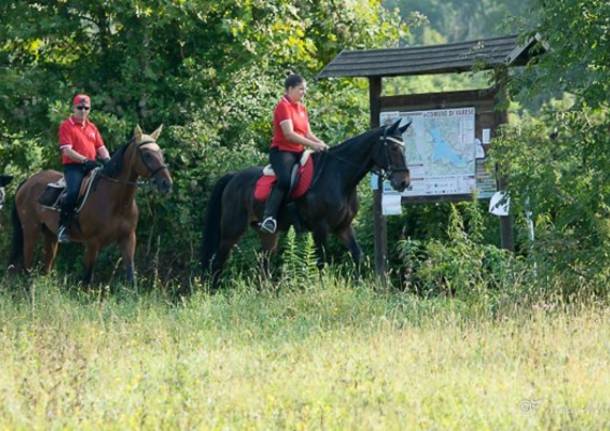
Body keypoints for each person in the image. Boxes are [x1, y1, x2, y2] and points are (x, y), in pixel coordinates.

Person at [260, 74, 328, 234]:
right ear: (290, 89)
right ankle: (269, 217)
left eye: (304, 89)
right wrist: (313, 145)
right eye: (301, 89)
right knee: (284, 180)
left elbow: (308, 133)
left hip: (300, 151)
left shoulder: (302, 108)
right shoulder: (283, 106)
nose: (303, 92)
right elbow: (289, 134)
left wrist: (322, 144)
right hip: (282, 152)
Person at [56, 94, 110, 243]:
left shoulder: (92, 127)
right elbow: (67, 150)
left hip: (91, 167)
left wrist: (108, 161)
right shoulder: (66, 125)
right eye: (80, 108)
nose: (83, 111)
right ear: (74, 108)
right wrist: (85, 160)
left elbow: (101, 147)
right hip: (74, 167)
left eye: (86, 108)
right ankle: (63, 227)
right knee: (73, 192)